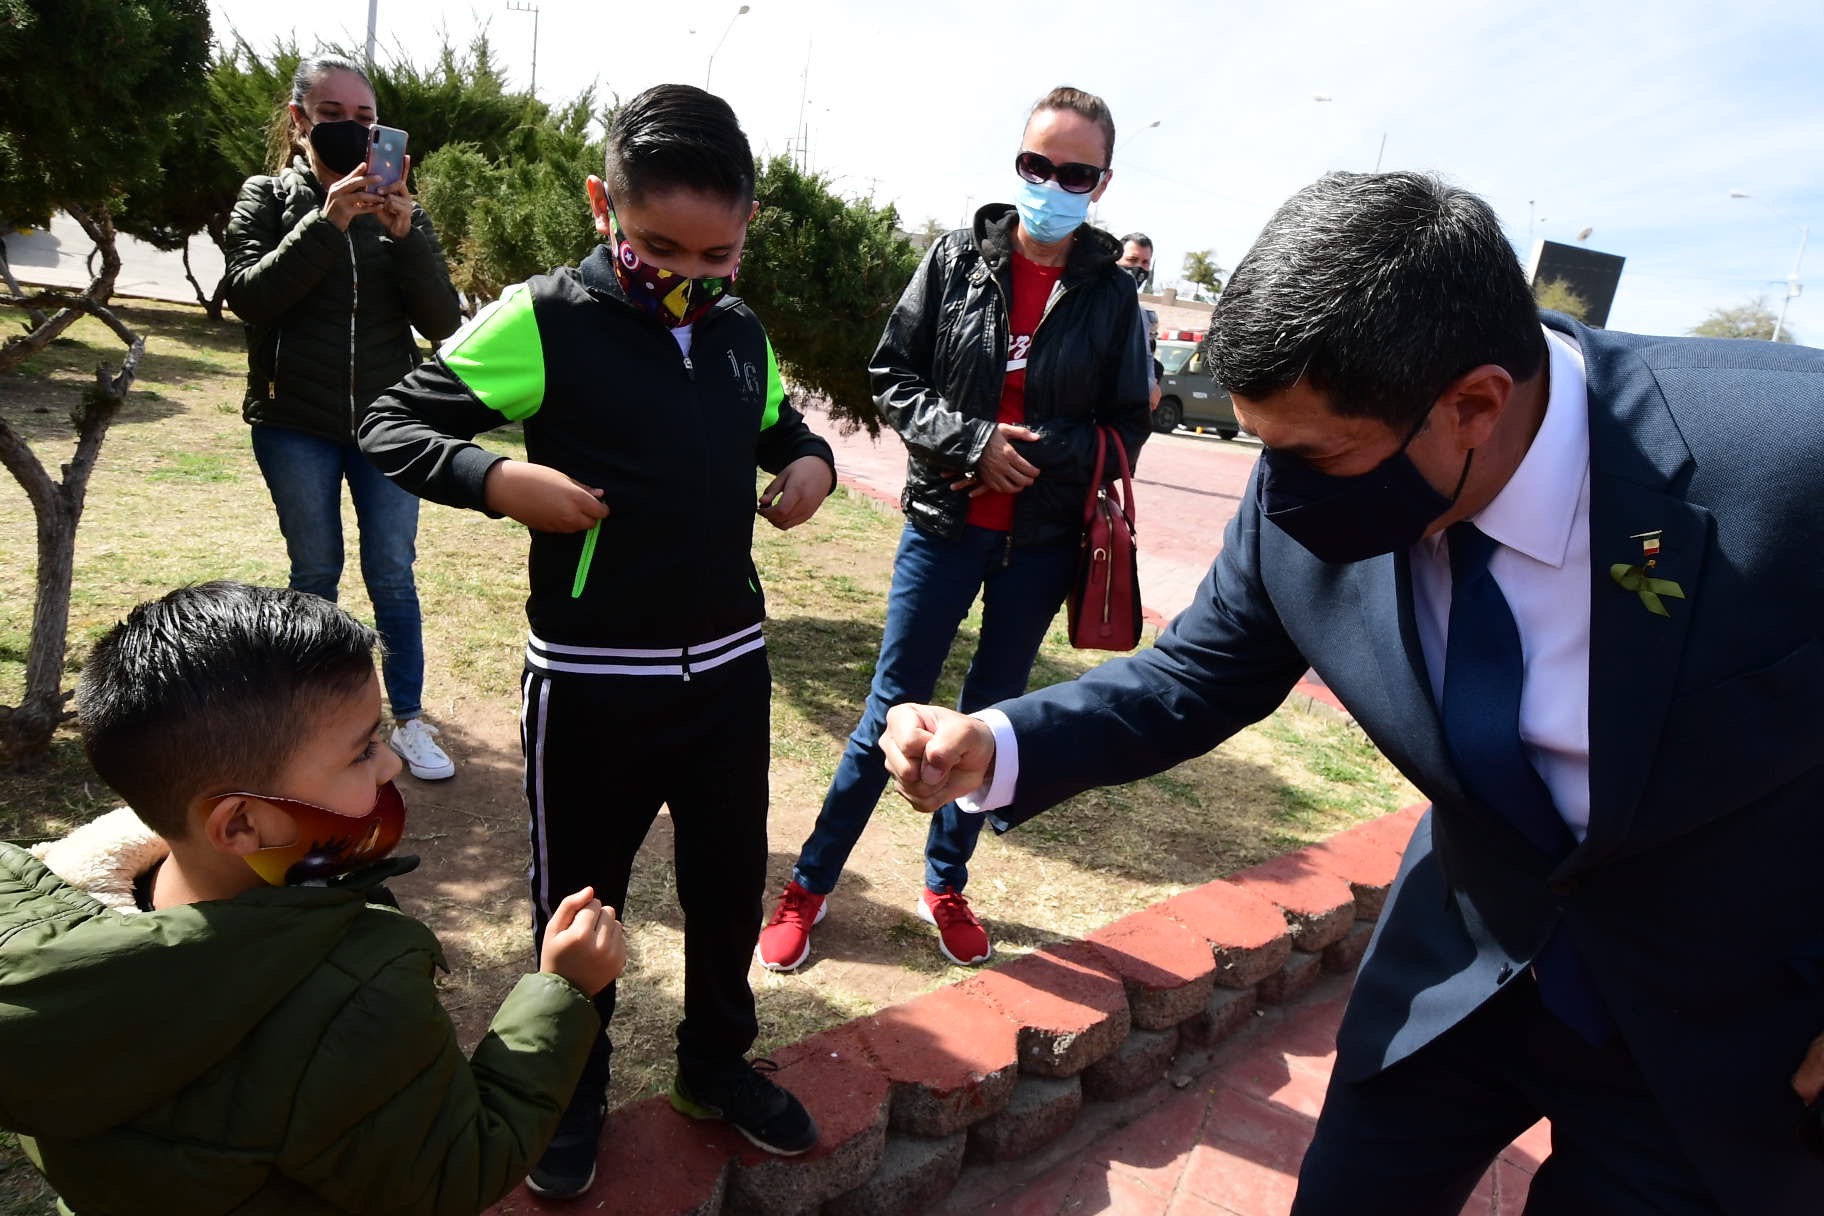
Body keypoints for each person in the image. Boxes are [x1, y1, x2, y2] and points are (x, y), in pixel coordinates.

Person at [881, 171, 1824, 1214]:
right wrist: (998, 741)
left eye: (1316, 454)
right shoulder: (1308, 491)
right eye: (1262, 448)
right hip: (1457, 975)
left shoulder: (1791, 454)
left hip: (1726, 1036)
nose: (1277, 497)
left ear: (1474, 404)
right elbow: (1196, 675)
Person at [359, 84, 834, 1197]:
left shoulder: (740, 327)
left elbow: (778, 424)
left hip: (727, 675)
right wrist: (497, 476)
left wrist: (807, 461)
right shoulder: (542, 318)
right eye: (658, 244)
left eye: (716, 252)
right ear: (599, 205)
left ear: (748, 226)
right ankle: (567, 1096)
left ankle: (714, 1067)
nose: (687, 272)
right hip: (588, 684)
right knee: (581, 904)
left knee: (725, 892)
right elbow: (392, 421)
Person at [0, 582, 626, 1215]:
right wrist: (563, 992)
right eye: (361, 752)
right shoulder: (351, 1002)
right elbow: (454, 1175)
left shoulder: (41, 962)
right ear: (241, 825)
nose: (389, 767)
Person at [756, 85, 1152, 974]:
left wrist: (1040, 451)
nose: (1052, 184)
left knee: (988, 723)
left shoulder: (1112, 297)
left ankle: (945, 882)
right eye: (1036, 165)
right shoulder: (954, 260)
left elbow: (1129, 424)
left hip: (1039, 546)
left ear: (1102, 182)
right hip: (943, 524)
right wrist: (971, 441)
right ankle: (810, 886)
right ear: (1018, 165)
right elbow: (893, 374)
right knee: (887, 711)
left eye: (1075, 172)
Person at [225, 54, 461, 782]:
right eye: (332, 117)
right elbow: (250, 296)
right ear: (299, 122)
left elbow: (443, 318)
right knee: (315, 572)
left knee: (392, 573)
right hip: (294, 421)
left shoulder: (398, 213)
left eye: (365, 120)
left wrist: (407, 233)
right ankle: (316, 723)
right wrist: (327, 222)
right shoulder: (266, 196)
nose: (351, 133)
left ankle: (410, 720)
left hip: (387, 427)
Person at [1117, 231, 1164, 408]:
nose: (1138, 268)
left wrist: (1152, 382)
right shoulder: (1095, 302)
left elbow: (1146, 358)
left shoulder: (1144, 316)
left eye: (1145, 263)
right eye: (1131, 260)